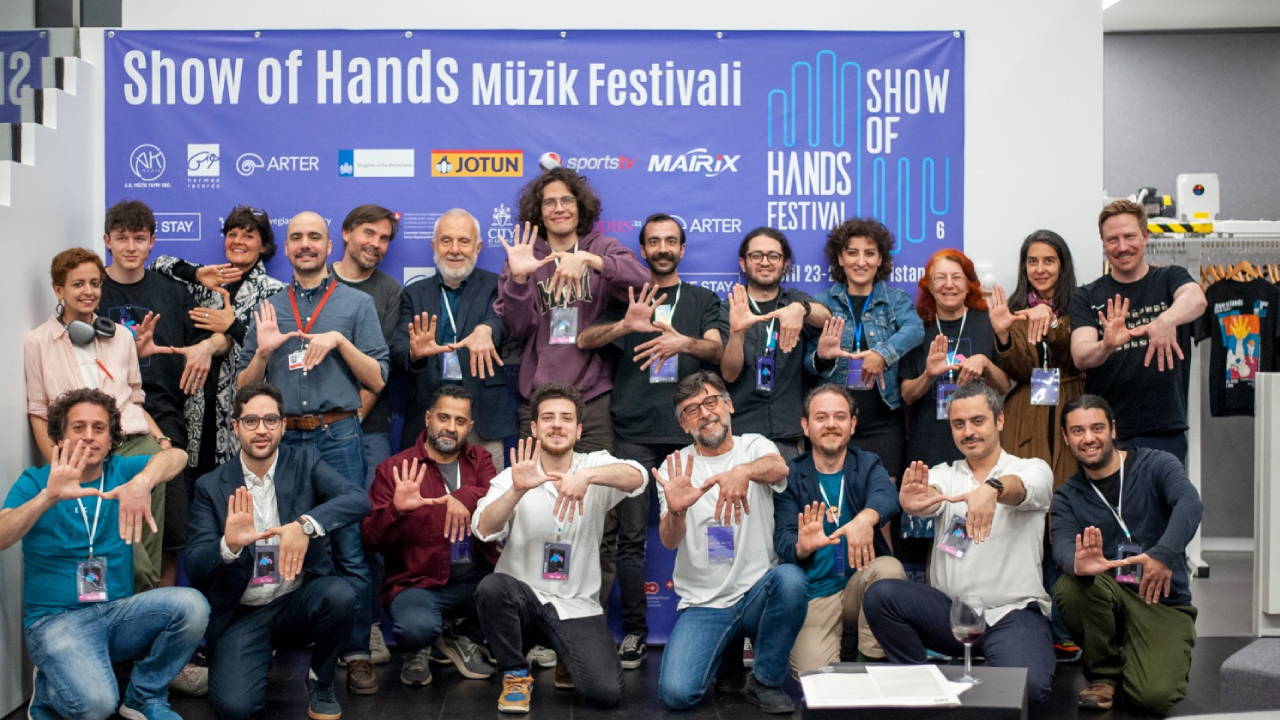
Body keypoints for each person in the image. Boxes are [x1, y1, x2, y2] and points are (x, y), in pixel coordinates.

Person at [236, 210, 390, 693]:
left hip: (337, 436)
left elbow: (377, 378)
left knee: (348, 548)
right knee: (279, 540)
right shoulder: (267, 307)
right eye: (297, 237)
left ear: (329, 245)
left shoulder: (355, 304)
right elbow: (243, 388)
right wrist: (263, 353)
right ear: (286, 247)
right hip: (282, 441)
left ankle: (356, 650)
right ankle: (284, 644)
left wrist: (339, 341)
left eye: (314, 237)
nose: (306, 244)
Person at [1, 388, 205, 720]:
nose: (89, 436)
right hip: (56, 620)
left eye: (99, 428)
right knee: (97, 705)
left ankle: (143, 696)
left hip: (116, 613)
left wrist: (143, 482)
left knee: (192, 606)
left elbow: (177, 458)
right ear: (60, 437)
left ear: (111, 440)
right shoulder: (37, 481)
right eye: (78, 427)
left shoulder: (122, 471)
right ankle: (49, 690)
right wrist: (47, 498)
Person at [577, 212, 725, 670]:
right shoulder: (626, 297)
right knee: (629, 539)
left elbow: (717, 348)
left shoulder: (701, 299)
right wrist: (625, 325)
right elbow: (584, 338)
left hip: (691, 434)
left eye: (671, 241)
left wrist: (684, 344)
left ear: (682, 249)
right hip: (634, 434)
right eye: (654, 242)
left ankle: (716, 623)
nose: (663, 248)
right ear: (642, 250)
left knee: (712, 529)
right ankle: (635, 632)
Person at [184, 382, 371, 720]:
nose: (261, 430)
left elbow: (357, 499)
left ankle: (321, 680)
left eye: (270, 420)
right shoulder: (210, 486)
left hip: (295, 601)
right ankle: (253, 658)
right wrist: (229, 545)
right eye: (251, 421)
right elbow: (195, 564)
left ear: (283, 425)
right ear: (235, 426)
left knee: (340, 594)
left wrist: (306, 525)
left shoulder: (305, 462)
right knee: (236, 708)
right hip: (243, 613)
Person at [864, 382, 1055, 705]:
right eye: (958, 424)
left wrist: (991, 489)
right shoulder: (944, 474)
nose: (968, 432)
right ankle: (920, 685)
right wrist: (914, 501)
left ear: (1000, 420)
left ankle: (996, 664)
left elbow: (1022, 488)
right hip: (952, 615)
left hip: (1012, 614)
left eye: (977, 421)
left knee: (1029, 687)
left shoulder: (1031, 468)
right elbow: (929, 495)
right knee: (882, 595)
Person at [471, 382, 646, 714]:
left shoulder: (594, 464)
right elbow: (483, 529)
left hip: (575, 606)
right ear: (534, 428)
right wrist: (516, 491)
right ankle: (515, 675)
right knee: (492, 587)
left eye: (566, 418)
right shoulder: (513, 475)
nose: (556, 425)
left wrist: (587, 477)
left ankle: (567, 657)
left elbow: (637, 476)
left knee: (605, 692)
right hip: (523, 602)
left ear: (578, 430)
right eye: (548, 418)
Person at [654, 371, 804, 714]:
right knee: (677, 694)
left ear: (729, 405)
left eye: (711, 402)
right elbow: (669, 541)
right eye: (692, 410)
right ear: (684, 425)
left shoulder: (755, 446)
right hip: (704, 603)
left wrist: (743, 472)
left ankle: (765, 681)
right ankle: (728, 659)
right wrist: (676, 510)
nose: (705, 414)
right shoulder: (675, 466)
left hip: (756, 593)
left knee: (791, 580)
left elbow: (779, 468)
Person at [99, 199, 231, 587]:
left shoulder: (173, 291)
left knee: (169, 533)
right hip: (105, 414)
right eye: (122, 238)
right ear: (107, 241)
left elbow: (222, 338)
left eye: (139, 238)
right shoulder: (93, 289)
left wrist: (208, 346)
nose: (130, 247)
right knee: (111, 525)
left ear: (152, 242)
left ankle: (162, 612)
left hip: (164, 414)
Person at [24, 248, 172, 592]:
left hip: (139, 446)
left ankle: (147, 602)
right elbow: (38, 411)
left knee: (148, 536)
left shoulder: (120, 336)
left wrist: (161, 442)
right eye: (78, 284)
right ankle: (131, 603)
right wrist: (59, 465)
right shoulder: (38, 342)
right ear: (58, 289)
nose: (89, 291)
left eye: (95, 283)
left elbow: (135, 398)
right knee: (123, 547)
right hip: (85, 455)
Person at [1052, 394, 1202, 714]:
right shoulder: (1066, 496)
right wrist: (1077, 564)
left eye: (1097, 428)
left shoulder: (1156, 464)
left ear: (1113, 429)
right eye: (1077, 431)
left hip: (1159, 599)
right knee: (1069, 586)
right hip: (1107, 597)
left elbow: (1190, 503)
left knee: (1154, 697)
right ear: (1066, 437)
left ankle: (1140, 657)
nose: (1089, 438)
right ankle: (1104, 675)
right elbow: (1062, 545)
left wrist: (1162, 554)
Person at [494, 167, 649, 452]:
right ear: (539, 211)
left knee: (597, 479)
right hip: (538, 398)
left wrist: (591, 260)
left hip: (592, 399)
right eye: (549, 202)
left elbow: (644, 282)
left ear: (580, 207)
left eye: (567, 200)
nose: (559, 208)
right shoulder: (524, 256)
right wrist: (518, 280)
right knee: (537, 479)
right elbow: (517, 328)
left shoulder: (602, 247)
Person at [989, 228, 1085, 661]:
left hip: (1069, 408)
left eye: (1049, 260)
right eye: (1032, 261)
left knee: (1062, 519)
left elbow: (1074, 352)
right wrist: (1005, 334)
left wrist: (1051, 320)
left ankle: (1065, 626)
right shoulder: (1011, 308)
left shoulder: (1080, 304)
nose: (1040, 269)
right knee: (1025, 517)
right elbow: (1014, 368)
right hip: (1025, 414)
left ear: (1062, 265)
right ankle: (1026, 622)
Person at [362, 385, 499, 687]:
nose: (450, 428)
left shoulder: (480, 460)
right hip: (418, 584)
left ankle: (459, 636)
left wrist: (463, 496)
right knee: (416, 628)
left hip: (472, 581)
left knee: (515, 594)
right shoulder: (395, 468)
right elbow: (370, 539)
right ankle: (420, 647)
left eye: (460, 421)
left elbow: (496, 496)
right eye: (443, 417)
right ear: (427, 418)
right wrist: (397, 510)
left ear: (470, 427)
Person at [773, 384, 905, 674]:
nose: (831, 424)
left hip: (861, 585)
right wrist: (801, 547)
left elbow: (887, 497)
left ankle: (868, 660)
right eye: (821, 417)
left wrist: (864, 519)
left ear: (852, 424)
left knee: (889, 569)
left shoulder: (867, 463)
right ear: (806, 426)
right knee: (814, 677)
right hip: (817, 592)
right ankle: (844, 642)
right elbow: (782, 538)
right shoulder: (792, 476)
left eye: (840, 417)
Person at [1069, 199, 1207, 465]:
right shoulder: (1086, 296)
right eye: (1112, 239)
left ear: (1145, 236)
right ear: (1103, 243)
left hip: (1164, 430)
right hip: (1106, 434)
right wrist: (1106, 345)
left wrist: (1165, 321)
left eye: (1129, 236)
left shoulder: (1170, 278)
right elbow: (1081, 355)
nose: (1122, 247)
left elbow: (1197, 299)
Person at [152, 205, 286, 478]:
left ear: (263, 245)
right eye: (232, 234)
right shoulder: (207, 284)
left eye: (248, 235)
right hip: (198, 404)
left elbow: (273, 351)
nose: (238, 241)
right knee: (197, 483)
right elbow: (158, 264)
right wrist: (196, 274)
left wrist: (232, 327)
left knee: (237, 484)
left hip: (243, 406)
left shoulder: (275, 291)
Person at [896, 249, 1010, 566]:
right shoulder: (917, 328)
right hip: (928, 445)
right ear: (929, 285)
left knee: (974, 533)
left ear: (969, 283)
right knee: (926, 540)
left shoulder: (985, 322)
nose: (949, 284)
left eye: (956, 277)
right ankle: (932, 591)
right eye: (940, 278)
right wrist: (928, 375)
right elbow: (906, 394)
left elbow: (1004, 386)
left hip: (978, 448)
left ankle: (967, 588)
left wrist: (985, 362)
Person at [392, 208, 512, 469]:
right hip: (429, 412)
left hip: (483, 414)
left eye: (464, 241)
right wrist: (415, 353)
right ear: (434, 246)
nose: (455, 250)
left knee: (487, 490)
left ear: (478, 247)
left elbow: (505, 322)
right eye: (446, 241)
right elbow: (399, 348)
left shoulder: (496, 285)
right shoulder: (414, 293)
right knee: (423, 491)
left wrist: (487, 329)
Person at [810, 218, 924, 483]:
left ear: (880, 260)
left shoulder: (896, 300)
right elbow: (807, 360)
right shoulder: (822, 303)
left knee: (882, 497)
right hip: (834, 422)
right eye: (852, 253)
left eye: (870, 253)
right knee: (834, 496)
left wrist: (882, 354)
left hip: (884, 421)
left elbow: (915, 329)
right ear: (840, 259)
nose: (861, 261)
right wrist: (823, 358)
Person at [720, 226, 832, 462]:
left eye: (773, 256)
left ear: (785, 263)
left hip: (788, 432)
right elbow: (729, 374)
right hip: (741, 433)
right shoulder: (729, 307)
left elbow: (827, 318)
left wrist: (802, 309)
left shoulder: (795, 300)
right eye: (756, 255)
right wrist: (737, 333)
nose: (765, 262)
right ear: (743, 263)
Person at [330, 204, 403, 485]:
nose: (376, 244)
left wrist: (350, 423)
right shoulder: (318, 280)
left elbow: (381, 366)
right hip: (313, 427)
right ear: (346, 233)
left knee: (370, 508)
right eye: (369, 233)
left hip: (368, 428)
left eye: (384, 238)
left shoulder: (391, 292)